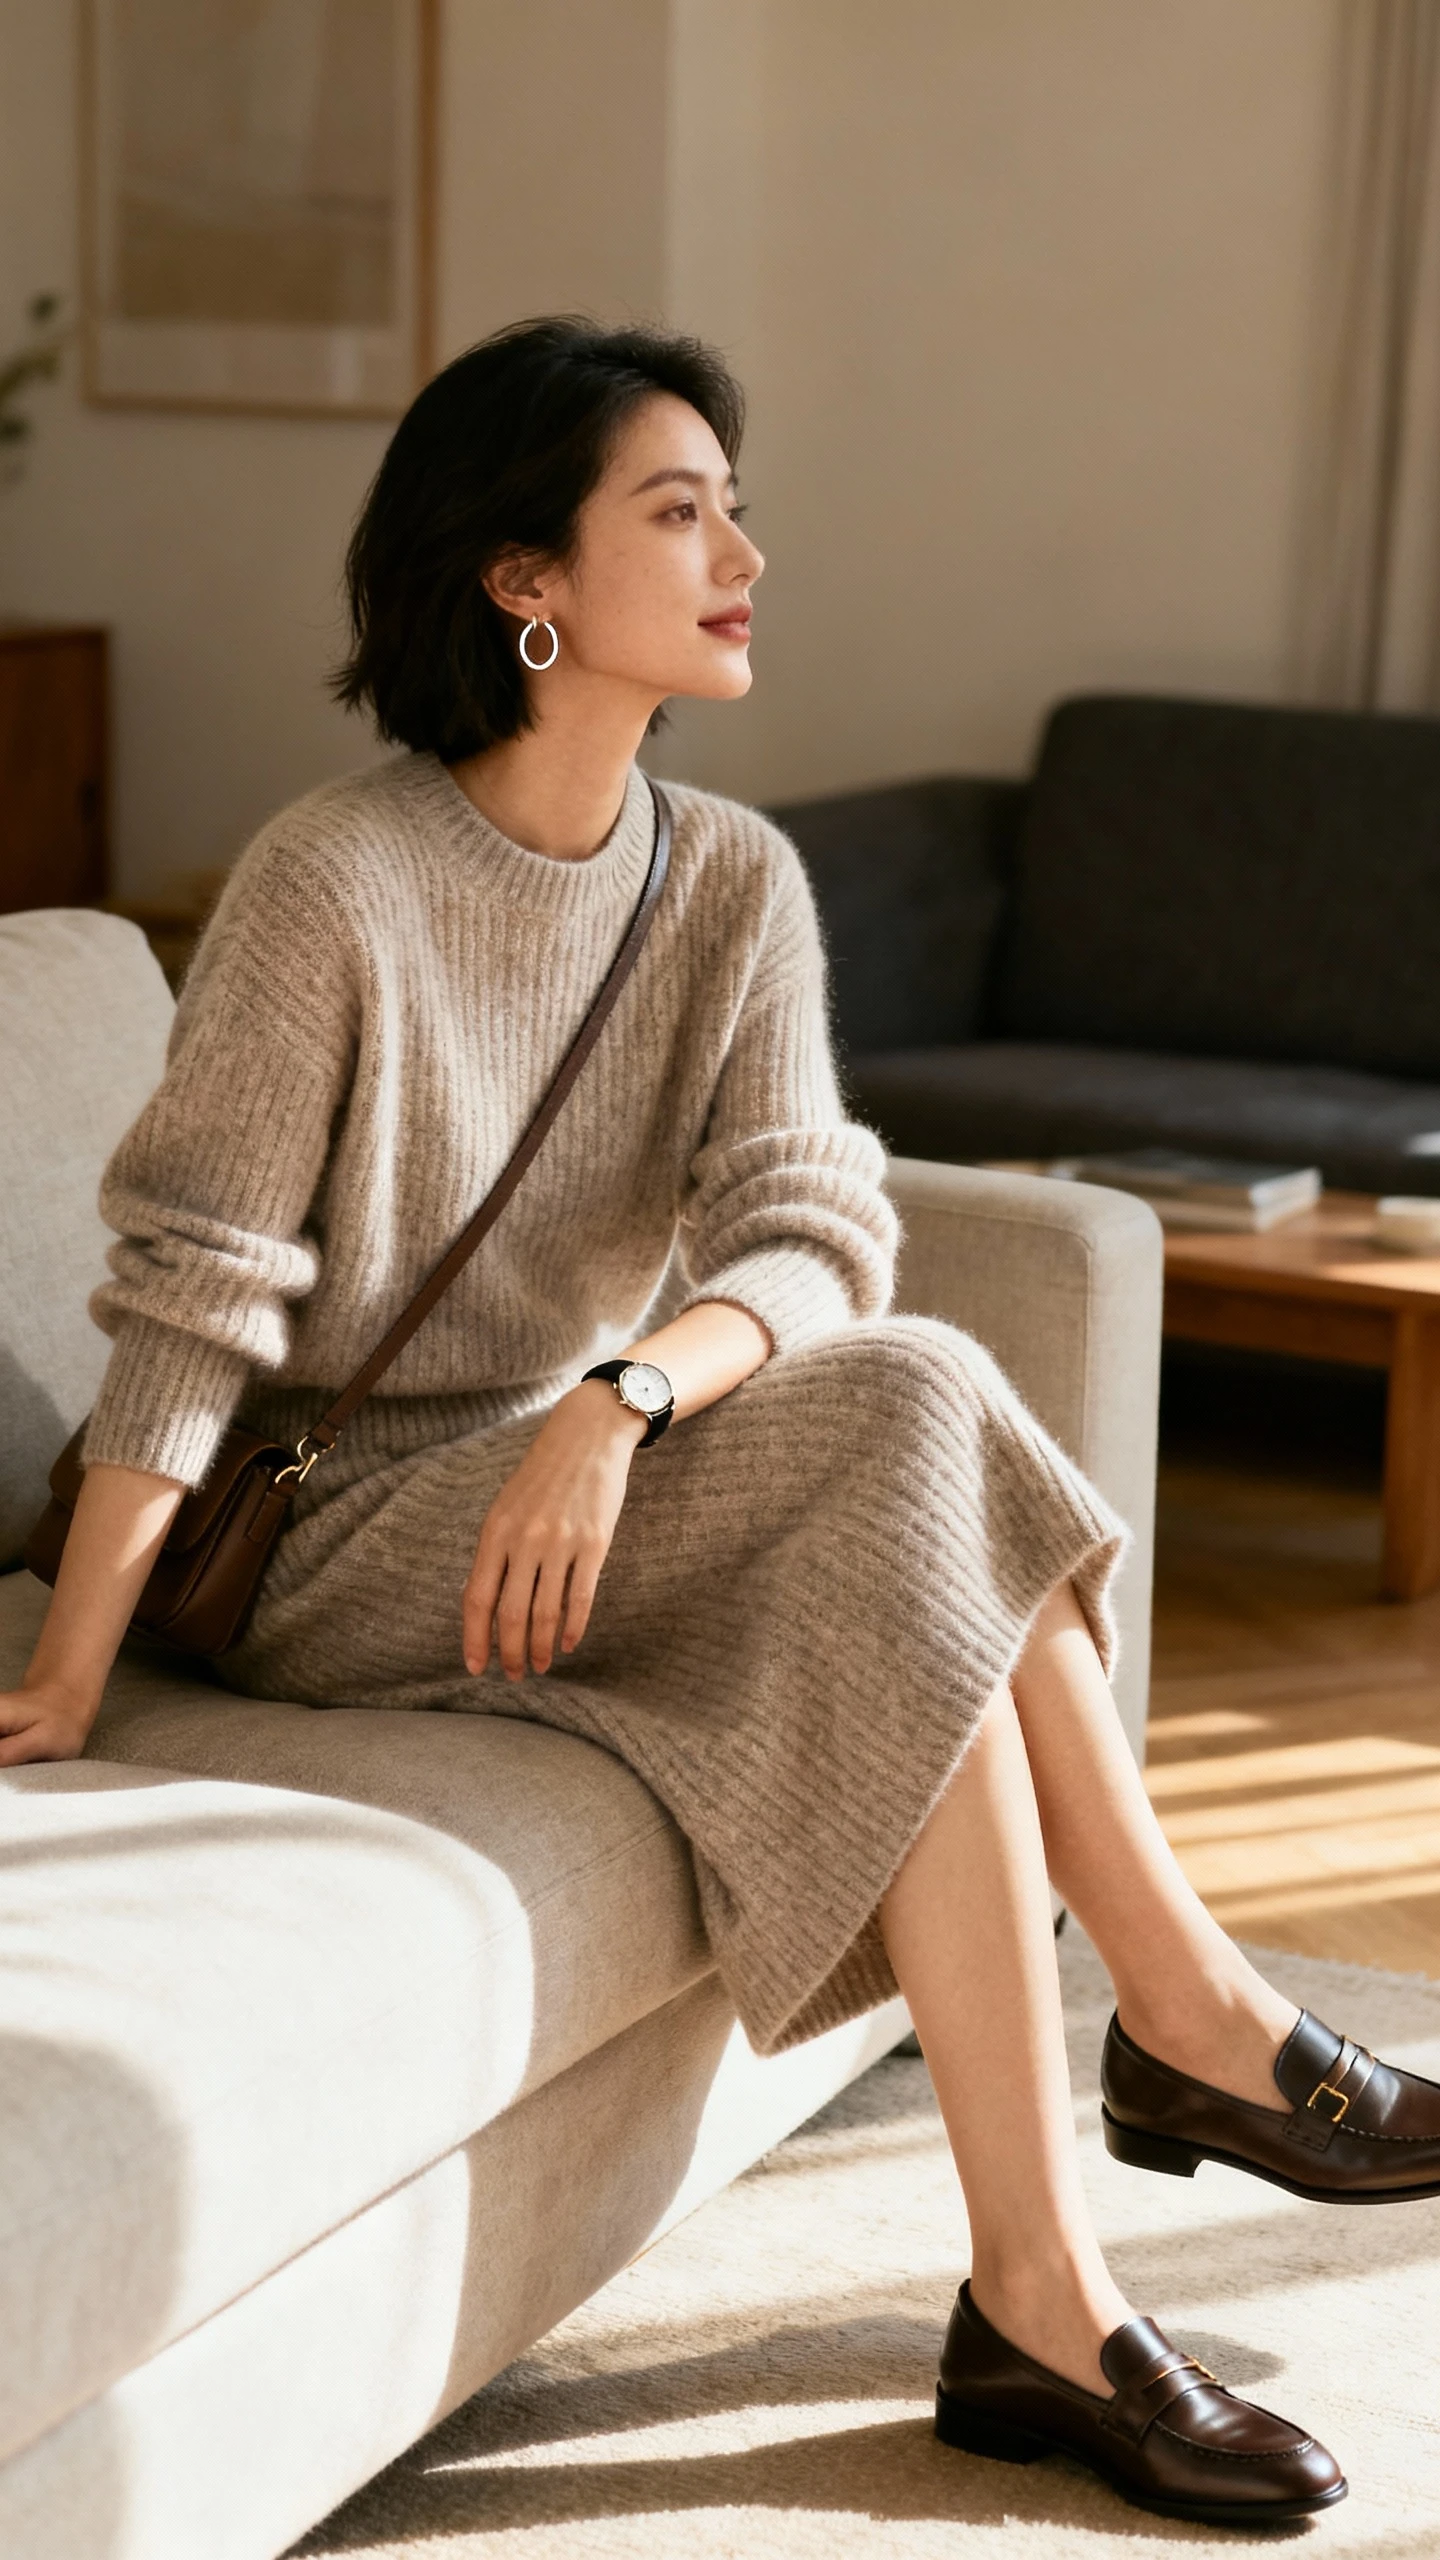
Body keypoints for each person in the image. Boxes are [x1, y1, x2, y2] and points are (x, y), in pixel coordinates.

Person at [6, 317, 1439, 2527]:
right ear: (524, 582)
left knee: (908, 1492)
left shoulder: (732, 880)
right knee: (923, 1422)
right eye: (680, 511)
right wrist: (78, 1660)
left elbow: (811, 1227)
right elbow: (202, 1301)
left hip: (579, 1471)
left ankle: (1048, 2276)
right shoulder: (335, 879)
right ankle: (1182, 2019)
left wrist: (623, 1392)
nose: (746, 551)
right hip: (347, 1525)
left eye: (734, 502)